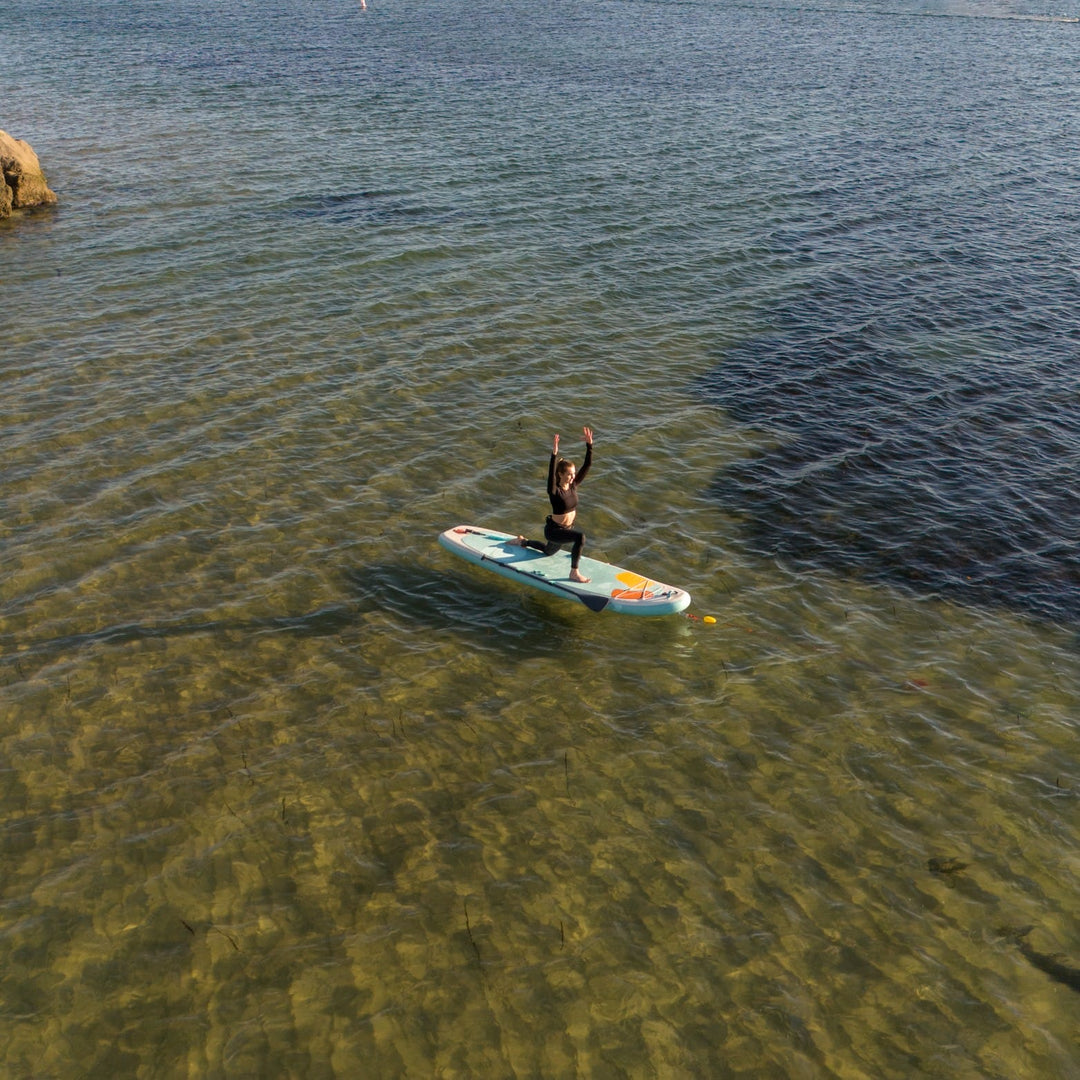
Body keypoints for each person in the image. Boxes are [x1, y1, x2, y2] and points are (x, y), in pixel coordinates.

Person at [513, 427, 594, 583]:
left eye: (573, 474)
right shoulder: (554, 491)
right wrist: (554, 455)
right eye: (569, 474)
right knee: (580, 537)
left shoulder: (573, 485)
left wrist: (589, 446)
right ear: (560, 474)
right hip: (554, 531)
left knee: (548, 551)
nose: (573, 477)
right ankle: (574, 573)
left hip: (565, 530)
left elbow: (587, 465)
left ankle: (523, 541)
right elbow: (550, 476)